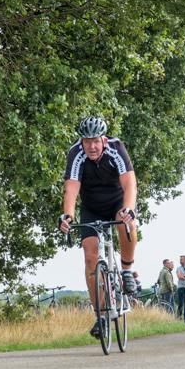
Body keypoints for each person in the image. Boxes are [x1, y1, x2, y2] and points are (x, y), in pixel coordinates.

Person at [58, 116, 138, 338]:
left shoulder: (116, 148)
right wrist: (68, 215)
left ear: (103, 139)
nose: (91, 146)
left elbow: (130, 183)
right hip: (91, 207)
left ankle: (127, 270)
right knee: (90, 257)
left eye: (95, 141)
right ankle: (101, 316)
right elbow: (72, 189)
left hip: (117, 202)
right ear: (82, 141)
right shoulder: (76, 154)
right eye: (87, 141)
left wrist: (129, 209)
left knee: (126, 223)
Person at [175, 255, 185, 321]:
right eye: (180, 259)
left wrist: (184, 276)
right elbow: (179, 277)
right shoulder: (178, 268)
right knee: (181, 303)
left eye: (181, 259)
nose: (180, 261)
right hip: (181, 287)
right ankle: (179, 317)